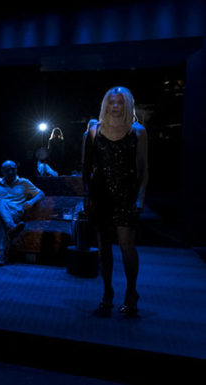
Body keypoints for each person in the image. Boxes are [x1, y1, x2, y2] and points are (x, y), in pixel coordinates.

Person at [83, 86, 148, 318]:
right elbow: (86, 168)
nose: (115, 106)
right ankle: (107, 293)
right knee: (104, 249)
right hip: (100, 195)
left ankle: (131, 293)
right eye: (112, 102)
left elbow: (144, 169)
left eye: (120, 102)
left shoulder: (138, 131)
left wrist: (140, 198)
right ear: (105, 104)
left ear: (127, 104)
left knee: (127, 247)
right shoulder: (93, 132)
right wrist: (86, 196)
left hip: (126, 195)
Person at [0, 160, 45, 267]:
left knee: (3, 221)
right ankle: (11, 227)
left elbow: (41, 193)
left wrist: (31, 202)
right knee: (2, 202)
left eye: (13, 169)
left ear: (16, 169)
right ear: (2, 171)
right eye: (7, 170)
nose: (10, 172)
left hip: (15, 213)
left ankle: (4, 252)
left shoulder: (24, 182)